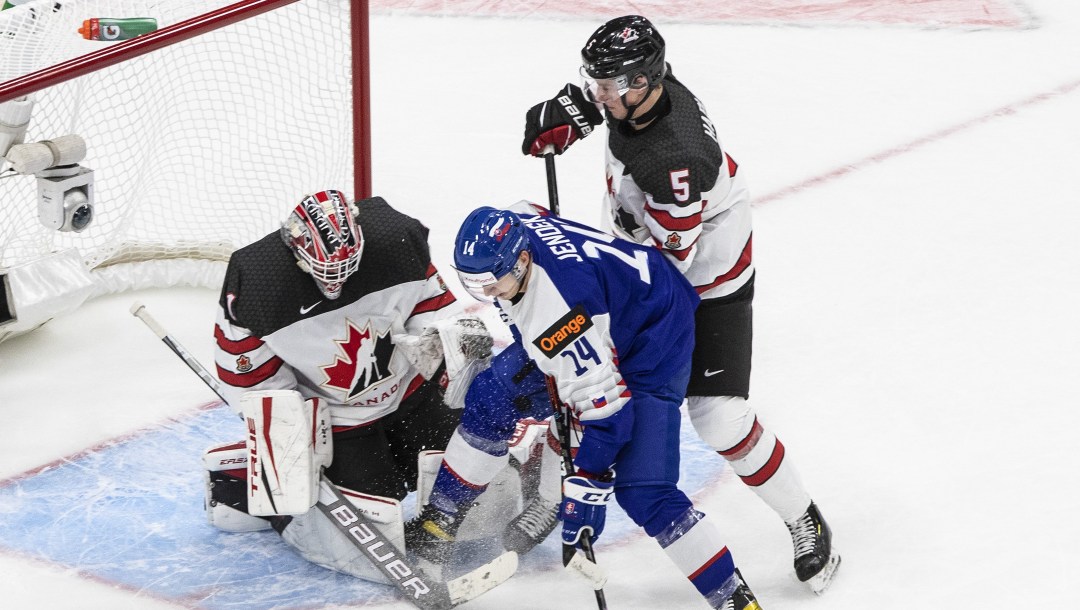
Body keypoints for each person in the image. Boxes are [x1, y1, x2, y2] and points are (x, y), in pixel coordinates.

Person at [519, 15, 840, 593]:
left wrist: (601, 300)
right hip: (638, 259)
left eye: (608, 87)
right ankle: (549, 498)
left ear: (644, 82)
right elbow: (614, 112)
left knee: (718, 417)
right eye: (597, 84)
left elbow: (667, 267)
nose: (600, 94)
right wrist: (575, 109)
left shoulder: (676, 160)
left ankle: (804, 517)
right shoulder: (643, 99)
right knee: (576, 376)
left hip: (701, 282)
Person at [449, 203, 763, 610]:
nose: (486, 293)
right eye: (475, 284)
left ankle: (735, 599)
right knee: (524, 395)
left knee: (645, 491)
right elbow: (535, 211)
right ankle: (532, 500)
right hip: (620, 302)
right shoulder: (518, 225)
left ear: (523, 259)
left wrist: (587, 491)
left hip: (654, 336)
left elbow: (611, 418)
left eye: (493, 282)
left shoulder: (555, 316)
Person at [204, 190, 502, 583]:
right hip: (337, 421)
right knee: (368, 530)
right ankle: (249, 484)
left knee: (476, 485)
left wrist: (448, 350)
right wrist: (293, 434)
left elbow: (431, 310)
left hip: (408, 393)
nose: (337, 280)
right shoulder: (258, 283)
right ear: (295, 249)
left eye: (347, 266)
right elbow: (251, 379)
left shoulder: (397, 242)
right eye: (325, 269)